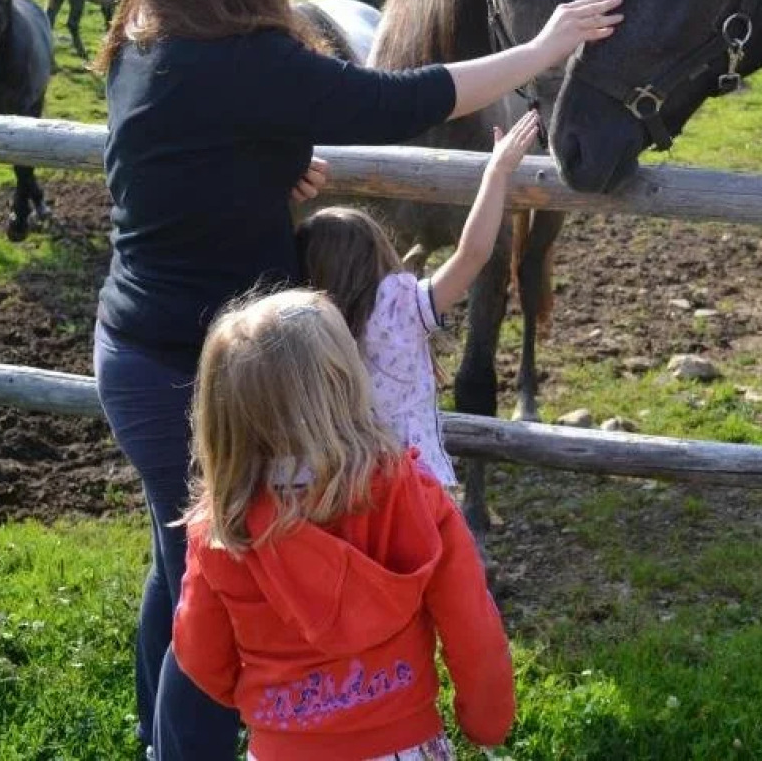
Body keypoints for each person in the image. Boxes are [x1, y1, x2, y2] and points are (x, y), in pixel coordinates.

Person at [91, 0, 619, 759]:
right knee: (206, 585)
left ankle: (152, 738)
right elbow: (402, 100)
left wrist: (266, 170)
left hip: (146, 346)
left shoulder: (146, 37)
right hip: (188, 365)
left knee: (179, 562)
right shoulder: (242, 58)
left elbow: (172, 161)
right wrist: (545, 49)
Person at [172, 289, 514, 761]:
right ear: (345, 382)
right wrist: (487, 720)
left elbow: (198, 652)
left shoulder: (221, 527)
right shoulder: (409, 493)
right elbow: (472, 624)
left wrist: (269, 706)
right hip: (401, 744)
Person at [297, 108, 542, 489]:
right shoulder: (401, 309)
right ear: (378, 255)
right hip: (414, 491)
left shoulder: (297, 331)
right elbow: (473, 253)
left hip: (337, 493)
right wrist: (497, 173)